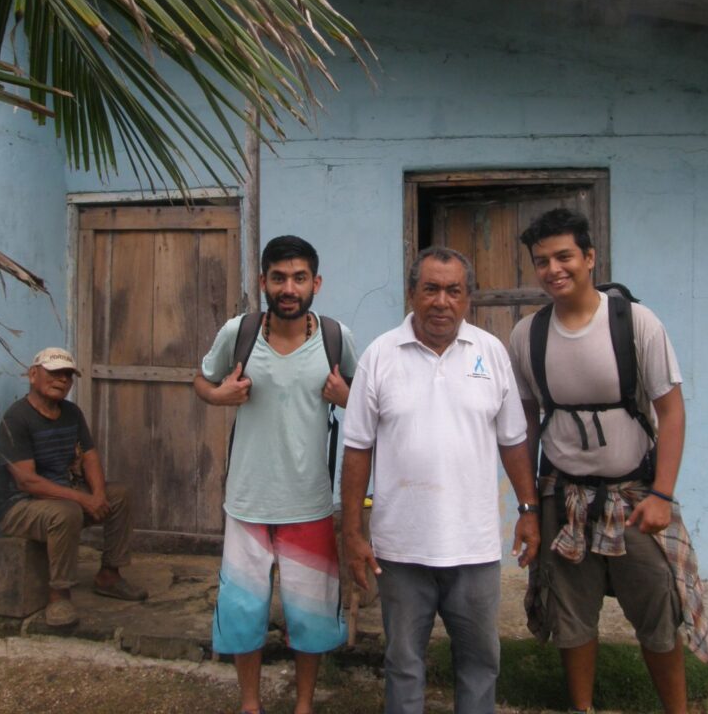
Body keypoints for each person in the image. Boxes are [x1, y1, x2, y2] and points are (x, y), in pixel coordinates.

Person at [507, 208, 708, 714]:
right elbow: (525, 425)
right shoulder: (527, 336)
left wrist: (662, 494)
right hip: (563, 496)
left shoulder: (635, 322)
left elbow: (672, 411)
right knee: (570, 612)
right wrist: (529, 508)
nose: (554, 269)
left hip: (636, 496)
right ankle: (582, 707)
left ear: (589, 257)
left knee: (658, 608)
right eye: (542, 261)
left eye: (564, 256)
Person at [341, 246, 540, 714]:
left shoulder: (490, 353)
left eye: (453, 291)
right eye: (430, 289)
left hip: (473, 549)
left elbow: (513, 440)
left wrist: (528, 511)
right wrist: (352, 532)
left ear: (467, 298)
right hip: (400, 550)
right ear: (412, 293)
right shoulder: (379, 356)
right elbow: (357, 449)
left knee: (479, 664)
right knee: (404, 664)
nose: (441, 301)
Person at [195, 235, 356, 714]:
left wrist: (346, 398)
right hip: (247, 502)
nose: (290, 287)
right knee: (244, 613)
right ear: (263, 281)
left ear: (316, 283)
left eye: (300, 278)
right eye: (280, 277)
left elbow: (366, 400)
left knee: (310, 617)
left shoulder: (334, 337)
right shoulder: (238, 332)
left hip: (309, 502)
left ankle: (304, 704)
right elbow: (201, 380)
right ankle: (250, 704)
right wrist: (217, 396)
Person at [0, 347, 147, 628]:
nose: (61, 380)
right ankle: (58, 595)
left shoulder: (71, 413)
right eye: (54, 373)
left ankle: (109, 575)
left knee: (119, 496)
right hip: (20, 507)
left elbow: (90, 456)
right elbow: (26, 481)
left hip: (63, 494)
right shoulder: (16, 419)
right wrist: (82, 499)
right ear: (33, 375)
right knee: (66, 513)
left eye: (67, 375)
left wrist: (98, 495)